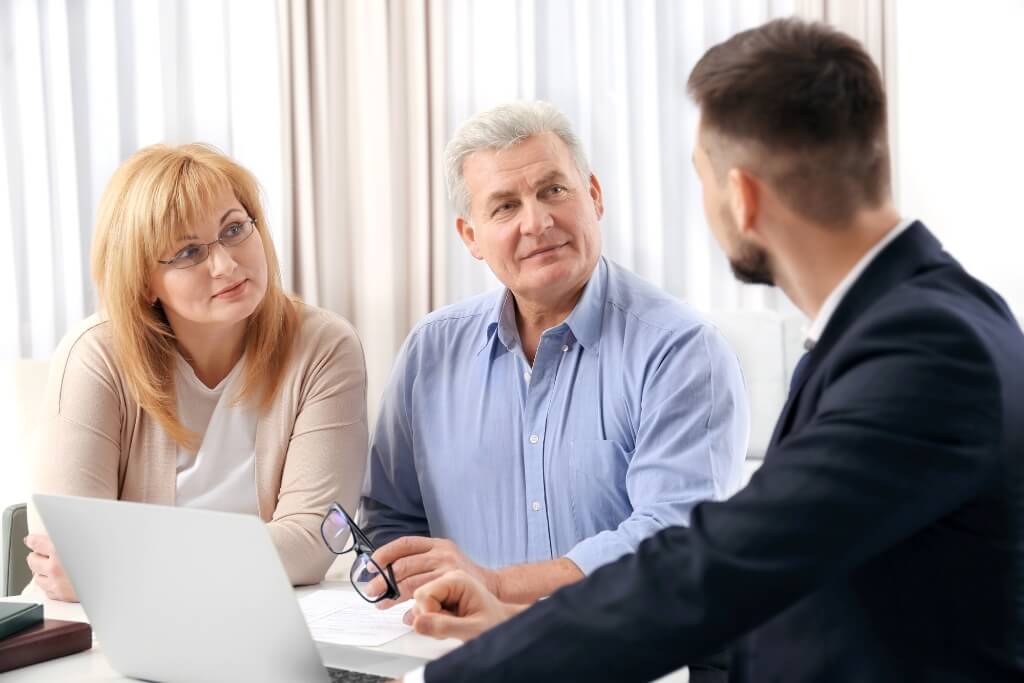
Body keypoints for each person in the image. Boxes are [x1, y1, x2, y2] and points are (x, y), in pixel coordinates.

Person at [397, 18, 1024, 682]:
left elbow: (720, 566)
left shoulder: (924, 351)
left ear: (742, 196)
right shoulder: (915, 321)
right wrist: (510, 628)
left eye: (700, 175)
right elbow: (775, 591)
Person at [361, 101, 749, 612]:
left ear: (593, 196)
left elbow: (671, 537)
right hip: (464, 654)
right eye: (504, 206)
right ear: (471, 236)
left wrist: (497, 587)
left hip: (634, 657)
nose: (537, 222)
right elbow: (392, 521)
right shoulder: (430, 350)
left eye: (554, 190)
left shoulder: (680, 349)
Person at [24, 143, 368, 602]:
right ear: (143, 278)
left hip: (259, 615)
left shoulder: (323, 346)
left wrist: (122, 566)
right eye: (188, 252)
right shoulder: (97, 354)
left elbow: (312, 543)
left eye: (233, 229)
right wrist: (102, 567)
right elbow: (67, 558)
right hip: (98, 629)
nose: (226, 264)